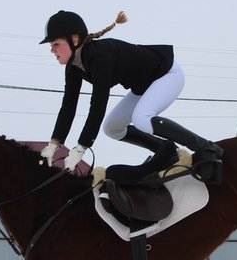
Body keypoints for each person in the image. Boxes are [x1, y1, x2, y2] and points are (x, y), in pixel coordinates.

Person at [39, 10, 223, 183]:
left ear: (74, 40)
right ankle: (166, 152)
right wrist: (54, 143)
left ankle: (206, 147)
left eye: (56, 44)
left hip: (167, 75)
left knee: (142, 119)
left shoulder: (99, 56)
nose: (52, 50)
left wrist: (81, 148)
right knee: (112, 128)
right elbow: (68, 105)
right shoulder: (73, 67)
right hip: (144, 87)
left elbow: (97, 106)